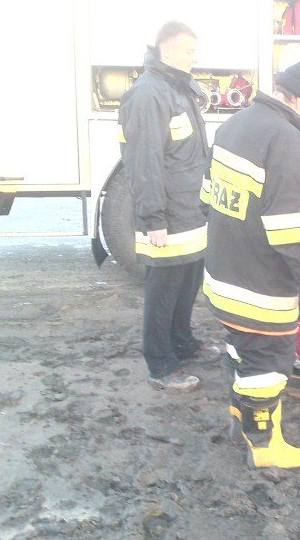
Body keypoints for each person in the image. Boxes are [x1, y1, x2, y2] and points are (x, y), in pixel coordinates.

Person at [201, 59, 300, 469]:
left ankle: (239, 421)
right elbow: (293, 229)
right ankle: (265, 446)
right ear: (298, 99)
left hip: (223, 274)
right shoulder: (285, 140)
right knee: (269, 362)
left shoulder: (234, 125)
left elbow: (208, 197)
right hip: (259, 286)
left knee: (240, 350)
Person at [117, 21, 219, 392]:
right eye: (190, 50)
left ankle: (183, 342)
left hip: (190, 211)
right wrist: (152, 218)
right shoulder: (147, 95)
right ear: (168, 50)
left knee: (187, 282)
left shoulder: (178, 89)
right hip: (167, 216)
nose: (195, 57)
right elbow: (143, 162)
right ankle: (161, 364)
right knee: (163, 290)